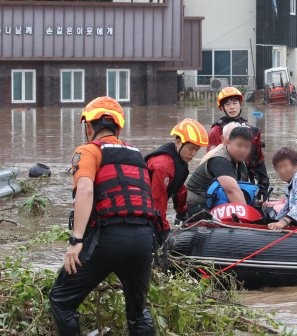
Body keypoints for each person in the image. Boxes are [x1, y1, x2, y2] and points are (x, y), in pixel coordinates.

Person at [49, 97, 156, 335]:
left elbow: (85, 190)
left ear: (89, 126)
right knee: (138, 314)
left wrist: (76, 241)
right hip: (143, 240)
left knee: (61, 301)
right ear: (118, 127)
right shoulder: (137, 155)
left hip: (108, 239)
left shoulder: (87, 150)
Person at [144, 118, 208, 242]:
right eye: (191, 148)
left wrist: (183, 213)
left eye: (197, 149)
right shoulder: (163, 166)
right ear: (178, 142)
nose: (194, 154)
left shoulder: (179, 162)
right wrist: (164, 231)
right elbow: (157, 201)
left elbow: (179, 189)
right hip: (142, 209)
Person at [208, 87, 269, 195]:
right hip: (223, 179)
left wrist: (264, 184)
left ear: (240, 104)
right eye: (227, 104)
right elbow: (210, 160)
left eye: (235, 103)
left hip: (245, 179)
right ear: (222, 108)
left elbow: (258, 158)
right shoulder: (216, 131)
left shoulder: (253, 130)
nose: (232, 107)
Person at [187, 126, 259, 215]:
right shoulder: (219, 160)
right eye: (239, 145)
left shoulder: (240, 163)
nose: (243, 150)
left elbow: (242, 190)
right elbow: (232, 190)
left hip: (213, 203)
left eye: (247, 147)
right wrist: (247, 216)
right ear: (228, 142)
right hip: (195, 205)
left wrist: (256, 203)